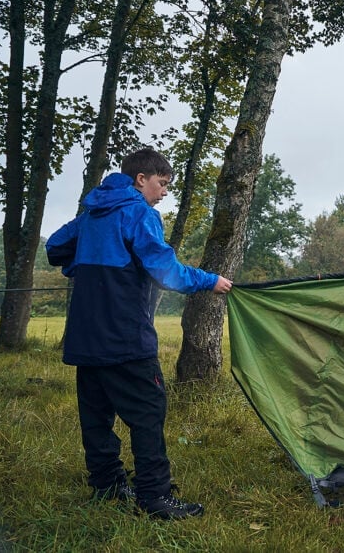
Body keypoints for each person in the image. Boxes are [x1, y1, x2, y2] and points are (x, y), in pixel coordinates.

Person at [46, 148, 233, 519]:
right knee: (148, 412)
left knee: (96, 415)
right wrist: (210, 281)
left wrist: (82, 269)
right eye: (161, 184)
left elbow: (54, 248)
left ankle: (106, 486)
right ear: (140, 180)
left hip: (85, 338)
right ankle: (155, 498)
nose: (163, 192)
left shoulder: (91, 214)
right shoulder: (139, 213)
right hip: (126, 337)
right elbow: (166, 271)